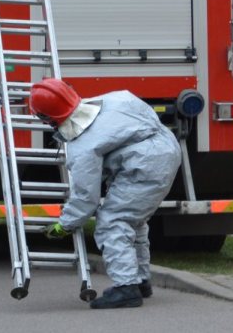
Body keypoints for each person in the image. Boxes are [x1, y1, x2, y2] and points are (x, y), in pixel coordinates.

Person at [29, 78, 181, 309]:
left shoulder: (82, 146)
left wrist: (65, 225)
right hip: (167, 150)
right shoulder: (116, 98)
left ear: (47, 118)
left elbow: (85, 199)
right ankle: (140, 281)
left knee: (112, 222)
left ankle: (126, 288)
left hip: (144, 167)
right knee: (134, 221)